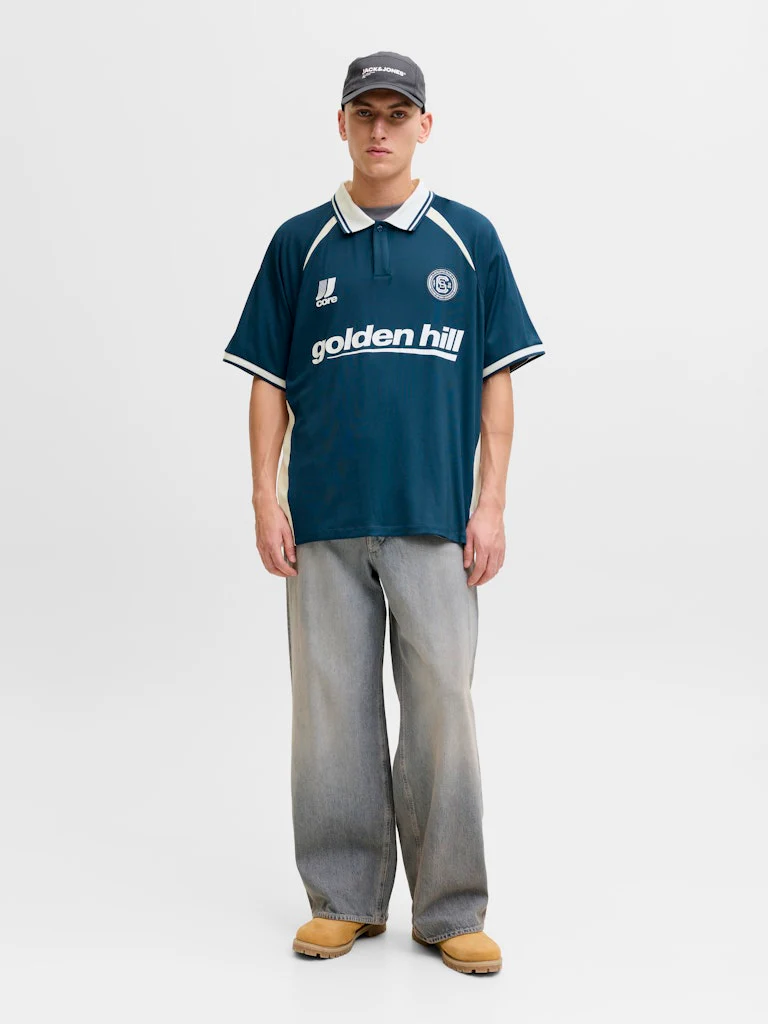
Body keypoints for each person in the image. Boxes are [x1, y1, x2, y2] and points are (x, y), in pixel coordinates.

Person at [222, 51, 545, 975]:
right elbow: (268, 381)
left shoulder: (468, 239)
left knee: (442, 710)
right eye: (363, 113)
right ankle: (344, 899)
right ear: (341, 124)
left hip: (435, 519)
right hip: (322, 521)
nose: (379, 130)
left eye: (396, 114)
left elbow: (497, 381)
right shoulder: (299, 244)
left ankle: (450, 909)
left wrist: (491, 504)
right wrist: (264, 496)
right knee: (331, 715)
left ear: (423, 127)